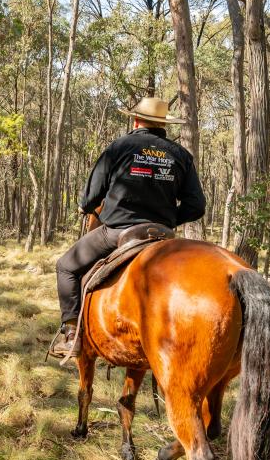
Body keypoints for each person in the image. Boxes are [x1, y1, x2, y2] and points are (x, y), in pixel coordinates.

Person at [48, 96, 206, 359]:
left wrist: (86, 205)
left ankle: (72, 333)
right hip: (162, 236)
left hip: (117, 232)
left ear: (135, 120)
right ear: (163, 124)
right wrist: (168, 219)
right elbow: (197, 206)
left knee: (66, 266)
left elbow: (89, 199)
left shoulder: (118, 147)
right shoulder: (180, 155)